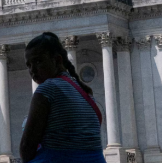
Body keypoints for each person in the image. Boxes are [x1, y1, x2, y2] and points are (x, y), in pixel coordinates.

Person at [19, 32, 105, 163]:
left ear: (57, 60)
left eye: (38, 61)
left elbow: (26, 147)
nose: (33, 70)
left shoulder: (48, 89)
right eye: (29, 65)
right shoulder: (86, 93)